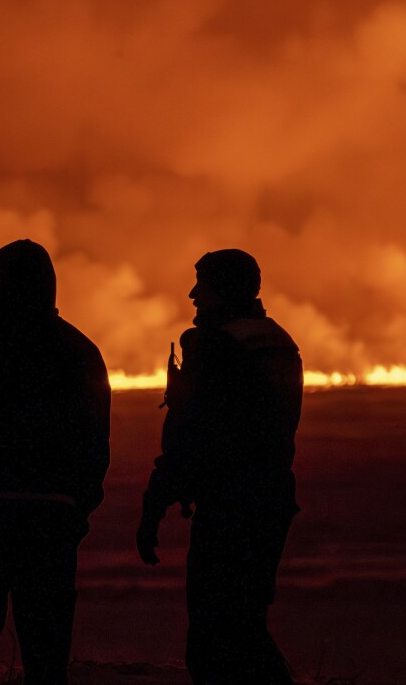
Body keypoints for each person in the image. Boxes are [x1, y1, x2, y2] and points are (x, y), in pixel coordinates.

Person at [0, 239, 111, 685]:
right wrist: (75, 509)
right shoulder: (80, 350)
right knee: (46, 655)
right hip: (51, 520)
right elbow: (96, 445)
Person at [136, 249, 302, 684]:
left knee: (214, 637)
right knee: (246, 624)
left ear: (222, 288)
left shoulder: (217, 345)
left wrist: (154, 505)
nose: (193, 294)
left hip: (231, 507)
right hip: (272, 501)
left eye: (201, 283)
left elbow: (193, 434)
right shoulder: (276, 339)